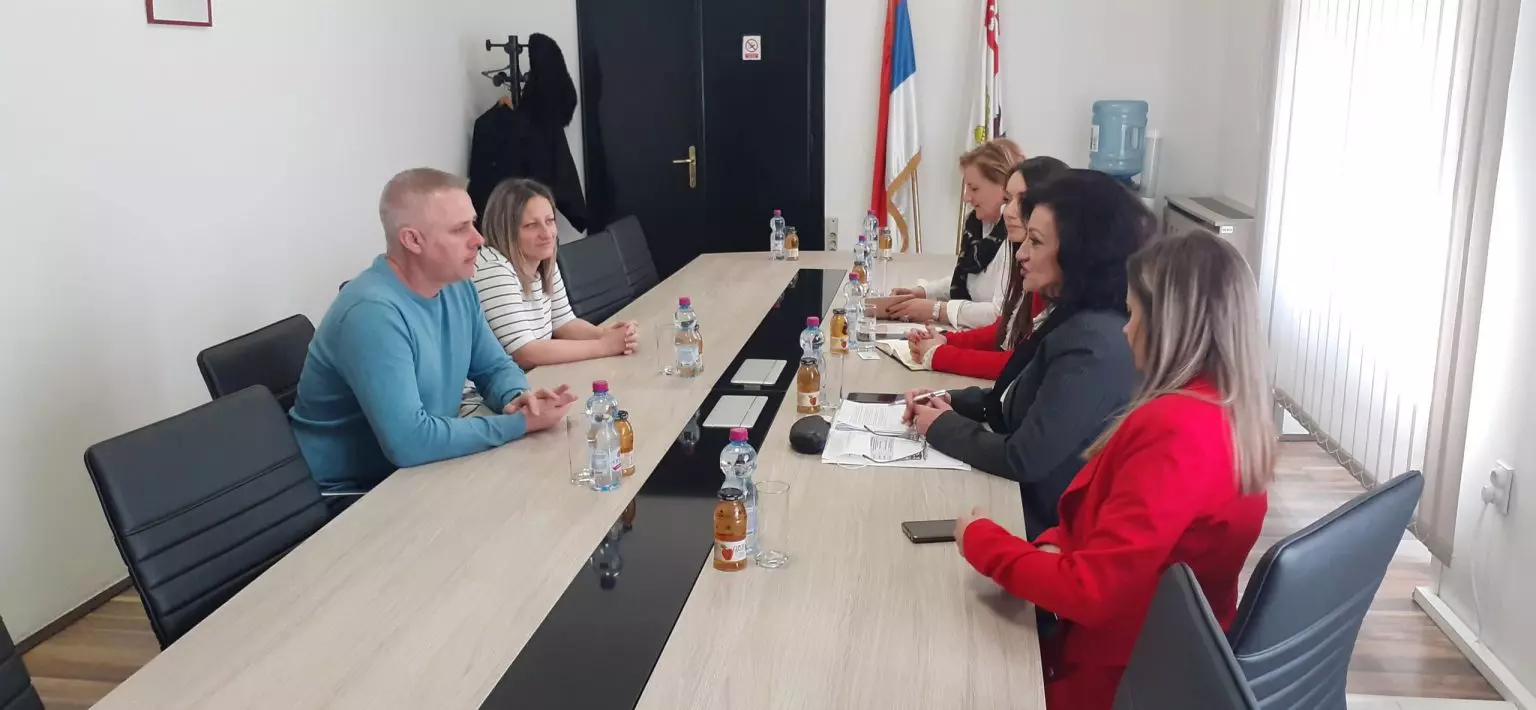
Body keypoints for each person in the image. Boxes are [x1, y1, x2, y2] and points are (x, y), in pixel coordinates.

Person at [954, 231, 1275, 710]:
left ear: (1169, 324)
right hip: (1168, 663)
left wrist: (982, 541)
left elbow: (1090, 591)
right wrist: (1052, 545)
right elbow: (1121, 533)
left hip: (1119, 679)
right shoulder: (1229, 412)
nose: (1126, 330)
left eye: (1134, 314)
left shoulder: (1176, 430)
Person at [290, 168, 577, 492]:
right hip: (351, 493)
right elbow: (410, 442)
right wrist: (519, 423)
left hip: (421, 467)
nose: (479, 239)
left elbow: (494, 366)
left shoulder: (457, 286)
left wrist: (516, 398)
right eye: (459, 229)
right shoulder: (371, 314)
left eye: (473, 223)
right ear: (413, 240)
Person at [903, 169, 1148, 539]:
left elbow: (1024, 457)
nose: (1021, 253)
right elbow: (1014, 398)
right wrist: (947, 400)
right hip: (1017, 501)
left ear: (1081, 252)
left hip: (1043, 525)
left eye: (1036, 242)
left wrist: (942, 426)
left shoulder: (1094, 343)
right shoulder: (1074, 315)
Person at [906, 156, 1070, 379]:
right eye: (1007, 199)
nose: (1007, 212)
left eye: (1021, 201)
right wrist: (946, 339)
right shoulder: (1022, 254)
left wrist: (939, 354)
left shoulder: (1051, 276)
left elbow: (1020, 363)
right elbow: (1007, 328)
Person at [468, 179, 637, 368]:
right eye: (531, 225)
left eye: (549, 221)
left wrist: (606, 334)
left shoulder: (543, 259)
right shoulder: (493, 268)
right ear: (506, 230)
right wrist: (604, 346)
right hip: (498, 385)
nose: (547, 233)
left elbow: (563, 323)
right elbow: (525, 353)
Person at [884, 139, 1025, 328]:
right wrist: (923, 292)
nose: (966, 197)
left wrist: (936, 310)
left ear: (1003, 186)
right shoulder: (977, 227)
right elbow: (967, 281)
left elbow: (999, 314)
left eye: (974, 188)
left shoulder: (1015, 235)